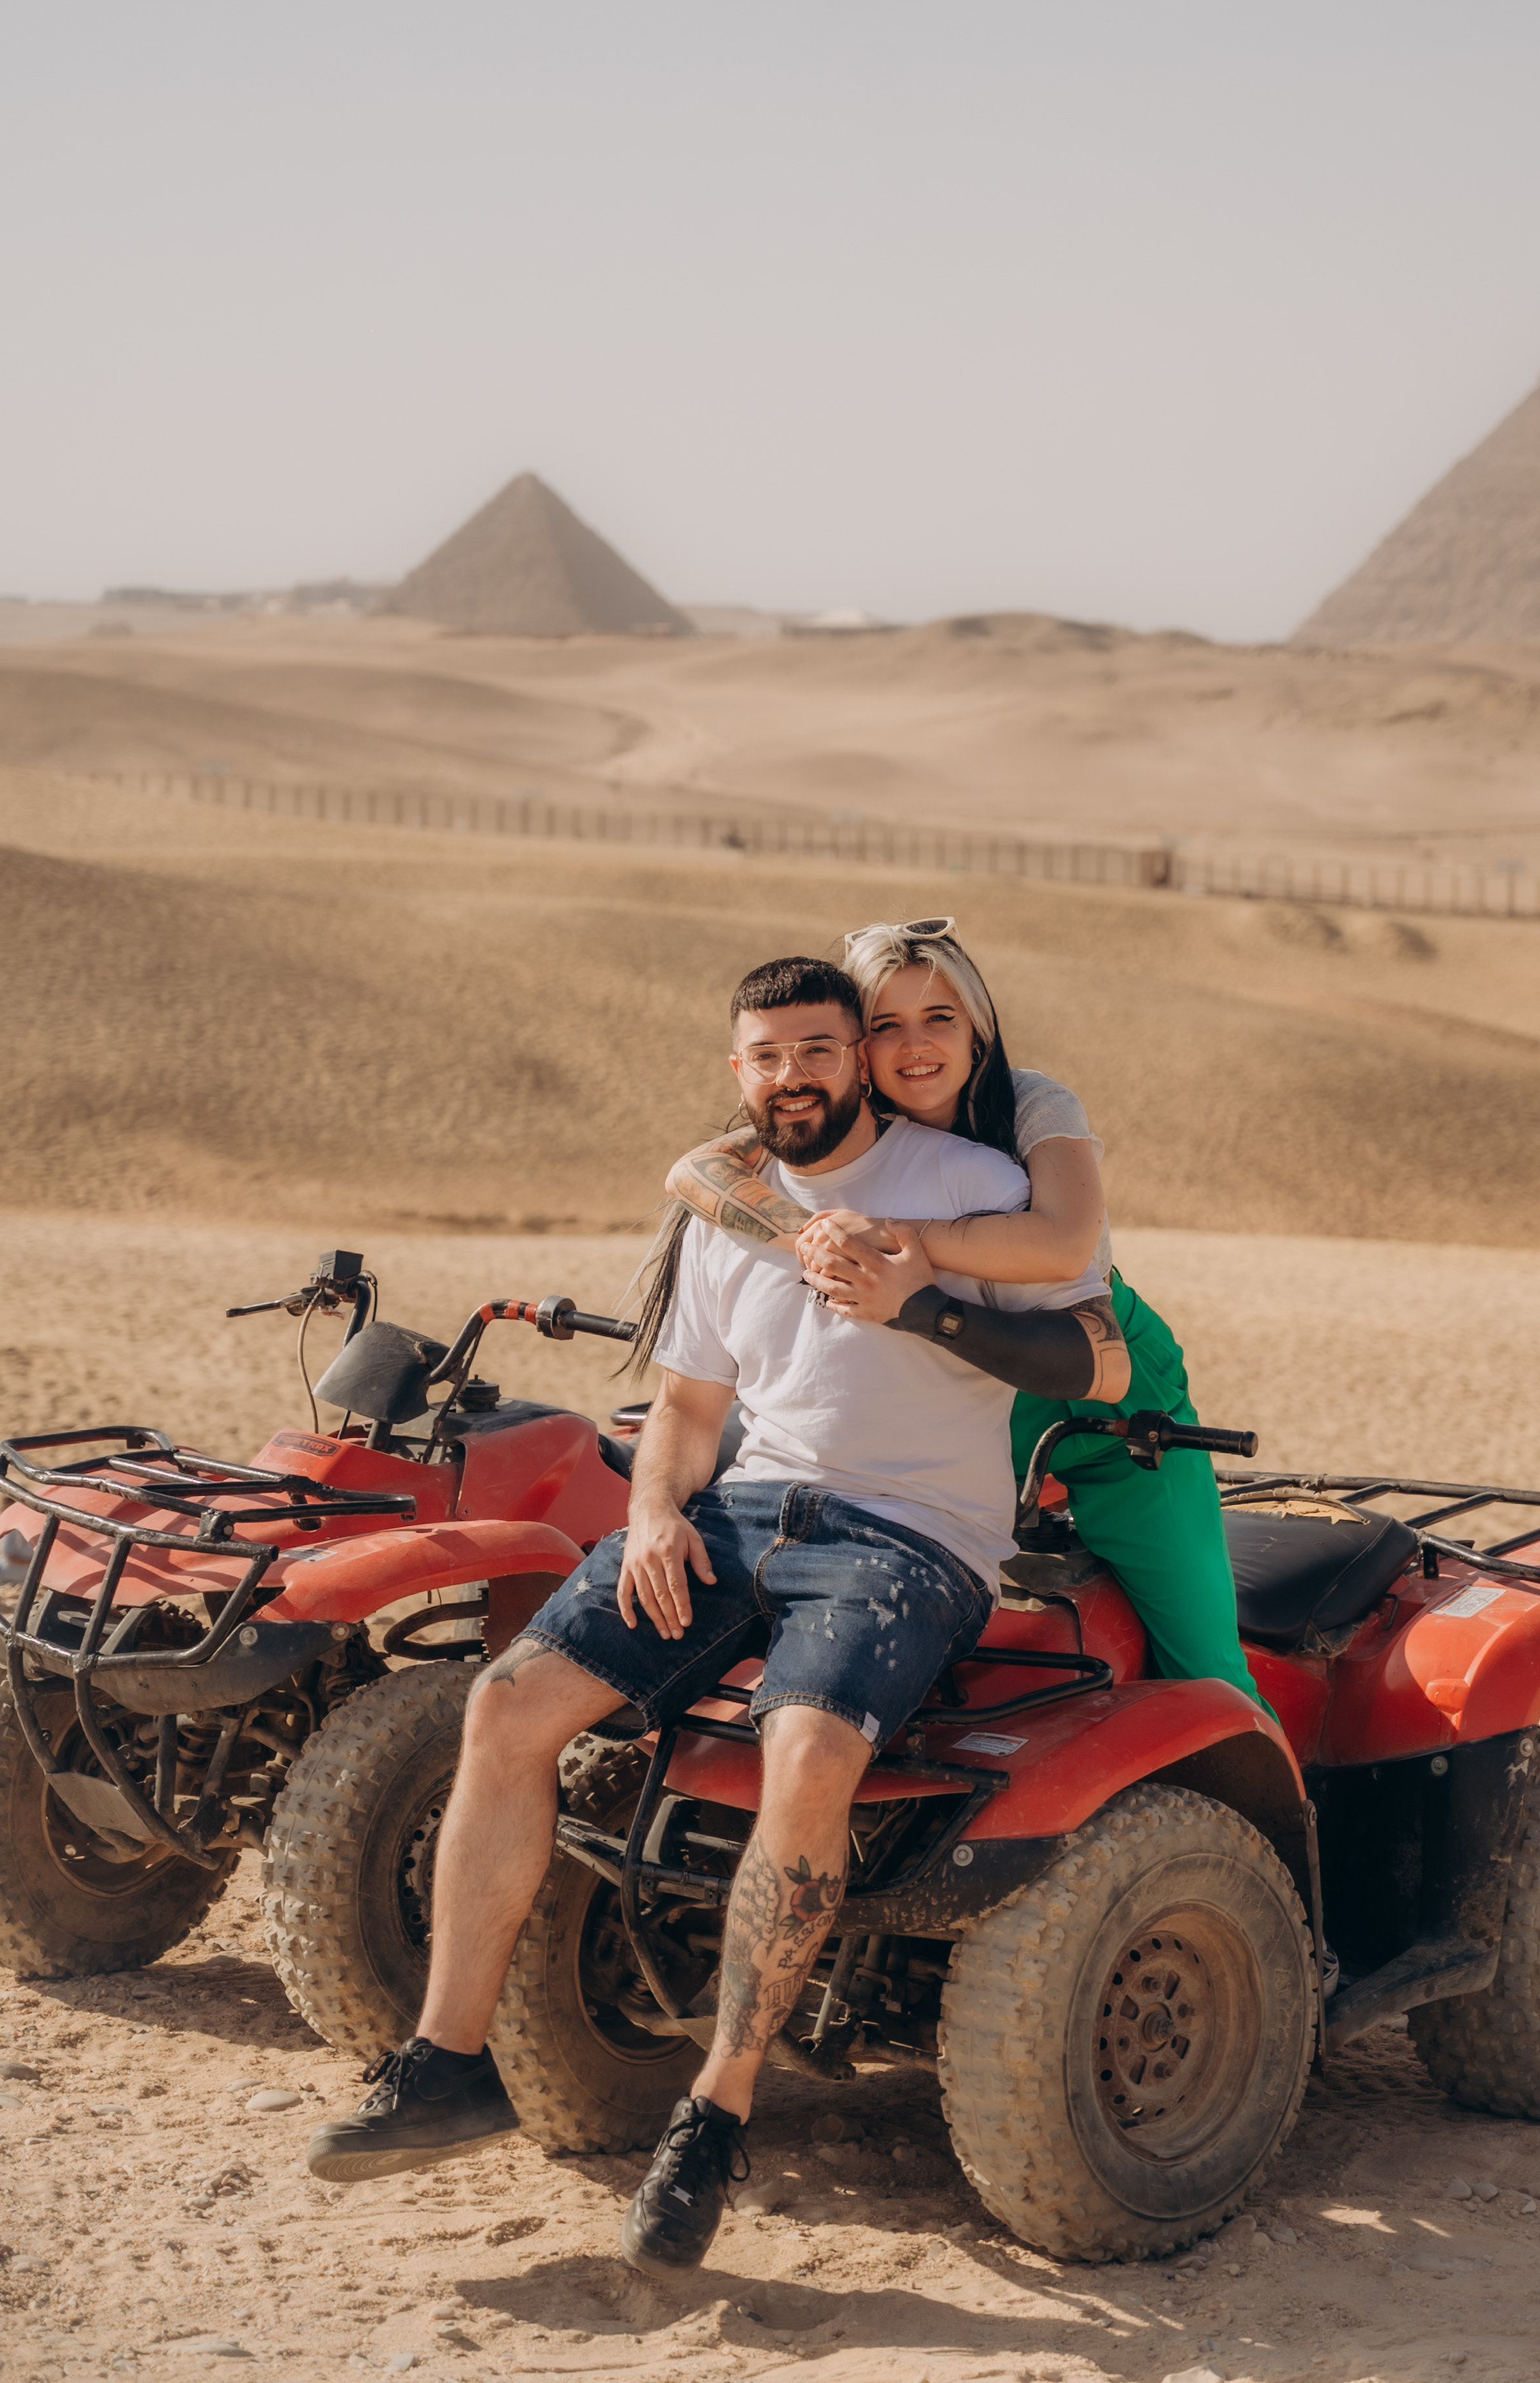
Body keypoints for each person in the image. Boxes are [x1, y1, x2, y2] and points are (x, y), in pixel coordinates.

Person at [306, 953, 1128, 2280]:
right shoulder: (726, 1204)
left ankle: (715, 2108)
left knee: (802, 1749)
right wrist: (651, 1512)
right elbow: (689, 1408)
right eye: (765, 1055)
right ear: (736, 1068)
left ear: (857, 1057)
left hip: (911, 1534)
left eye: (816, 1048)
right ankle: (447, 2059)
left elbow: (1102, 1356)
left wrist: (921, 1299)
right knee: (504, 1703)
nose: (791, 1075)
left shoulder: (965, 1187)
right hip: (742, 1512)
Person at [666, 915, 1260, 1704]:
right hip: (944, 1371)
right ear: (855, 1048)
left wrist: (884, 1237)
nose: (916, 1045)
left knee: (1200, 1653)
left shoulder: (1031, 1104)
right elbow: (695, 1170)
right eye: (886, 1026)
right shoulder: (846, 1115)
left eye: (939, 1017)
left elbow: (1062, 1245)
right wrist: (818, 1240)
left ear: (978, 1027)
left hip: (1103, 1382)